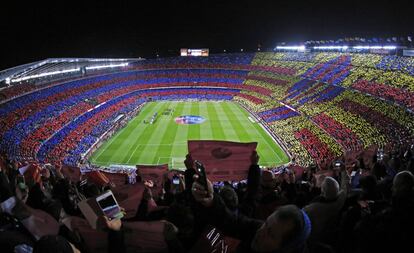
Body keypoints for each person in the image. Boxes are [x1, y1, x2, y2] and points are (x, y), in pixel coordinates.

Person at [191, 152, 311, 253]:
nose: (261, 232)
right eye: (266, 223)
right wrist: (211, 200)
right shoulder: (259, 229)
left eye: (271, 234)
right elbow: (231, 221)